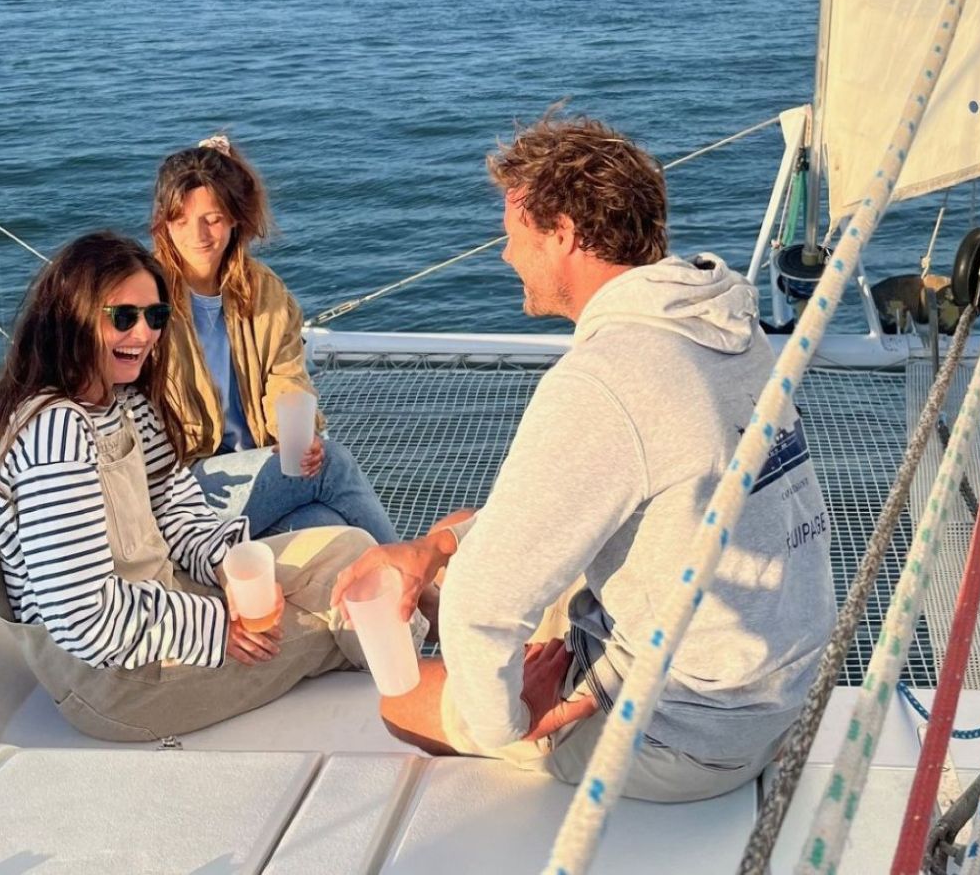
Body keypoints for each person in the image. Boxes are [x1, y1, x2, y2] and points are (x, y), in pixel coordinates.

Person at [331, 113, 836, 803]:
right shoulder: (724, 323)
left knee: (401, 702)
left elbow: (481, 607)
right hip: (774, 688)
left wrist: (512, 721)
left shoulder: (607, 378)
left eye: (513, 237)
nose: (505, 257)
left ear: (562, 234)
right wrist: (439, 547)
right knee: (452, 535)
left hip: (681, 730)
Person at [0, 231, 396, 742]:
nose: (144, 333)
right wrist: (217, 626)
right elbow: (82, 617)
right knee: (351, 617)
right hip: (118, 681)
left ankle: (416, 632)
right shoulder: (56, 432)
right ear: (71, 316)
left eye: (156, 316)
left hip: (162, 604)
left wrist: (230, 573)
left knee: (351, 549)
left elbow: (177, 510)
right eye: (123, 316)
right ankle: (428, 690)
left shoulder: (124, 404)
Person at [150, 135, 397, 544]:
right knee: (334, 465)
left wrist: (295, 434)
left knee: (331, 528)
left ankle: (400, 575)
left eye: (212, 218)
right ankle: (418, 572)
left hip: (259, 465)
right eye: (181, 221)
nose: (198, 235)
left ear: (234, 217)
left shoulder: (263, 290)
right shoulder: (148, 299)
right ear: (164, 223)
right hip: (189, 487)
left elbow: (287, 375)